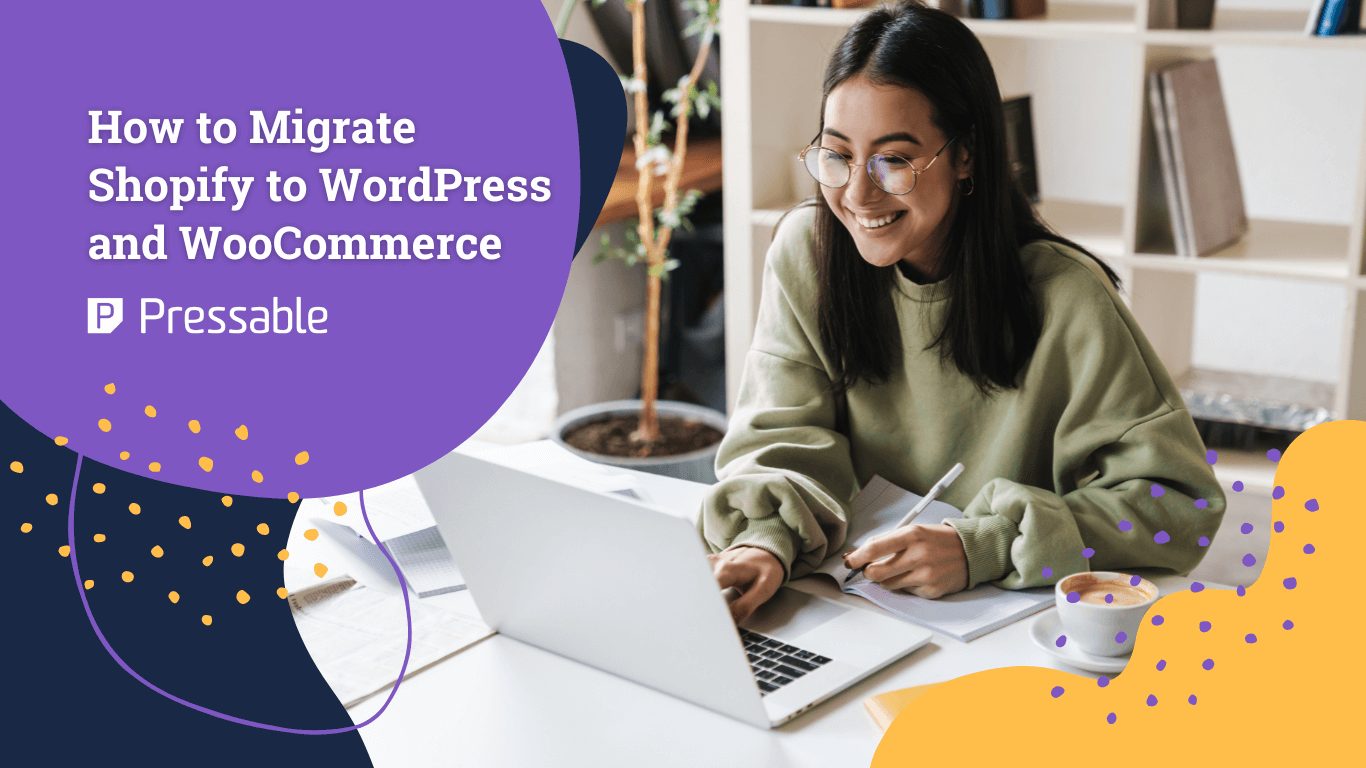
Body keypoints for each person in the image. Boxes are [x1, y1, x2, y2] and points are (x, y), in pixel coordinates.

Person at [701, 1, 1225, 623]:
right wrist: (764, 539)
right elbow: (782, 441)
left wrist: (985, 545)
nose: (857, 194)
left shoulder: (1068, 297)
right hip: (842, 611)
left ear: (966, 154)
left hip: (1008, 633)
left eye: (893, 160)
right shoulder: (805, 254)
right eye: (837, 155)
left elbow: (1178, 512)